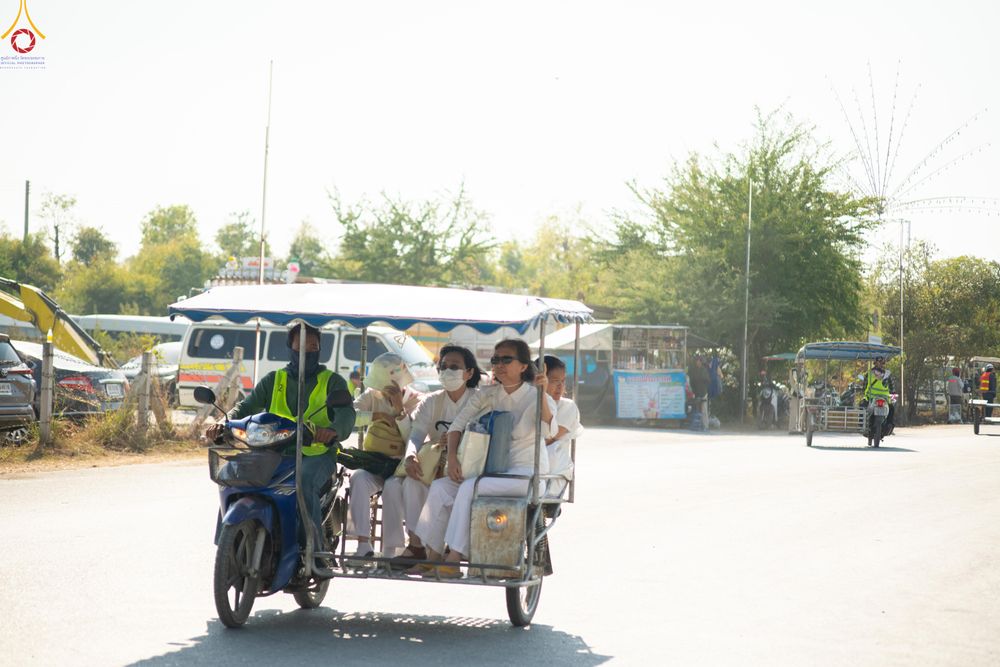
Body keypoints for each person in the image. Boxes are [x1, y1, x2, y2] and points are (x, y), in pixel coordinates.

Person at [205, 324, 356, 571]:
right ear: (290, 348)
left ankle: (314, 552)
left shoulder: (333, 382)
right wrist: (224, 423)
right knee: (232, 474)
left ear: (320, 350)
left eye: (313, 347)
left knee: (303, 481)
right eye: (301, 346)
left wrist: (333, 431)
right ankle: (227, 541)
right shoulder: (275, 380)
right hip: (273, 454)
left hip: (316, 455)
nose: (307, 351)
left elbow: (346, 415)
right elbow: (246, 407)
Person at [412, 339, 557, 579]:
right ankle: (432, 556)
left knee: (471, 486)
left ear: (523, 366)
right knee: (440, 488)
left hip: (525, 476)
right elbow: (458, 425)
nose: (499, 365)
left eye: (506, 359)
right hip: (488, 471)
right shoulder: (487, 394)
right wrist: (455, 463)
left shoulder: (535, 395)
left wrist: (542, 393)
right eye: (495, 360)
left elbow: (550, 430)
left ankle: (455, 558)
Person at [385, 345, 482, 570]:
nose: (447, 371)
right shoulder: (432, 401)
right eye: (443, 366)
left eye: (455, 367)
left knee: (443, 489)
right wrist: (410, 457)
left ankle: (441, 551)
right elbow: (416, 435)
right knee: (411, 482)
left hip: (468, 467)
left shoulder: (479, 400)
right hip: (436, 465)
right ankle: (418, 545)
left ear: (469, 373)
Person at [346, 353, 423, 563]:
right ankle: (363, 544)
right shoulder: (371, 395)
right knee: (358, 479)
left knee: (392, 488)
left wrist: (399, 411)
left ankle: (392, 549)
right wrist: (377, 416)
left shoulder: (417, 400)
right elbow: (350, 416)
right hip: (374, 463)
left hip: (400, 466)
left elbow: (413, 437)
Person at [540, 355, 582, 498]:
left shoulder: (567, 406)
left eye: (563, 381)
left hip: (552, 472)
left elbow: (550, 437)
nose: (560, 386)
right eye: (554, 381)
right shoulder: (528, 401)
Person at [860, 356, 895, 431]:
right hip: (884, 397)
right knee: (891, 409)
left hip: (871, 396)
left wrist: (864, 392)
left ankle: (861, 425)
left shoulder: (869, 373)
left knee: (862, 406)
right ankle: (889, 425)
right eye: (880, 363)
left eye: (880, 363)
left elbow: (864, 386)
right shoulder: (887, 374)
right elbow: (892, 387)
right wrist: (892, 393)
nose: (880, 364)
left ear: (875, 363)